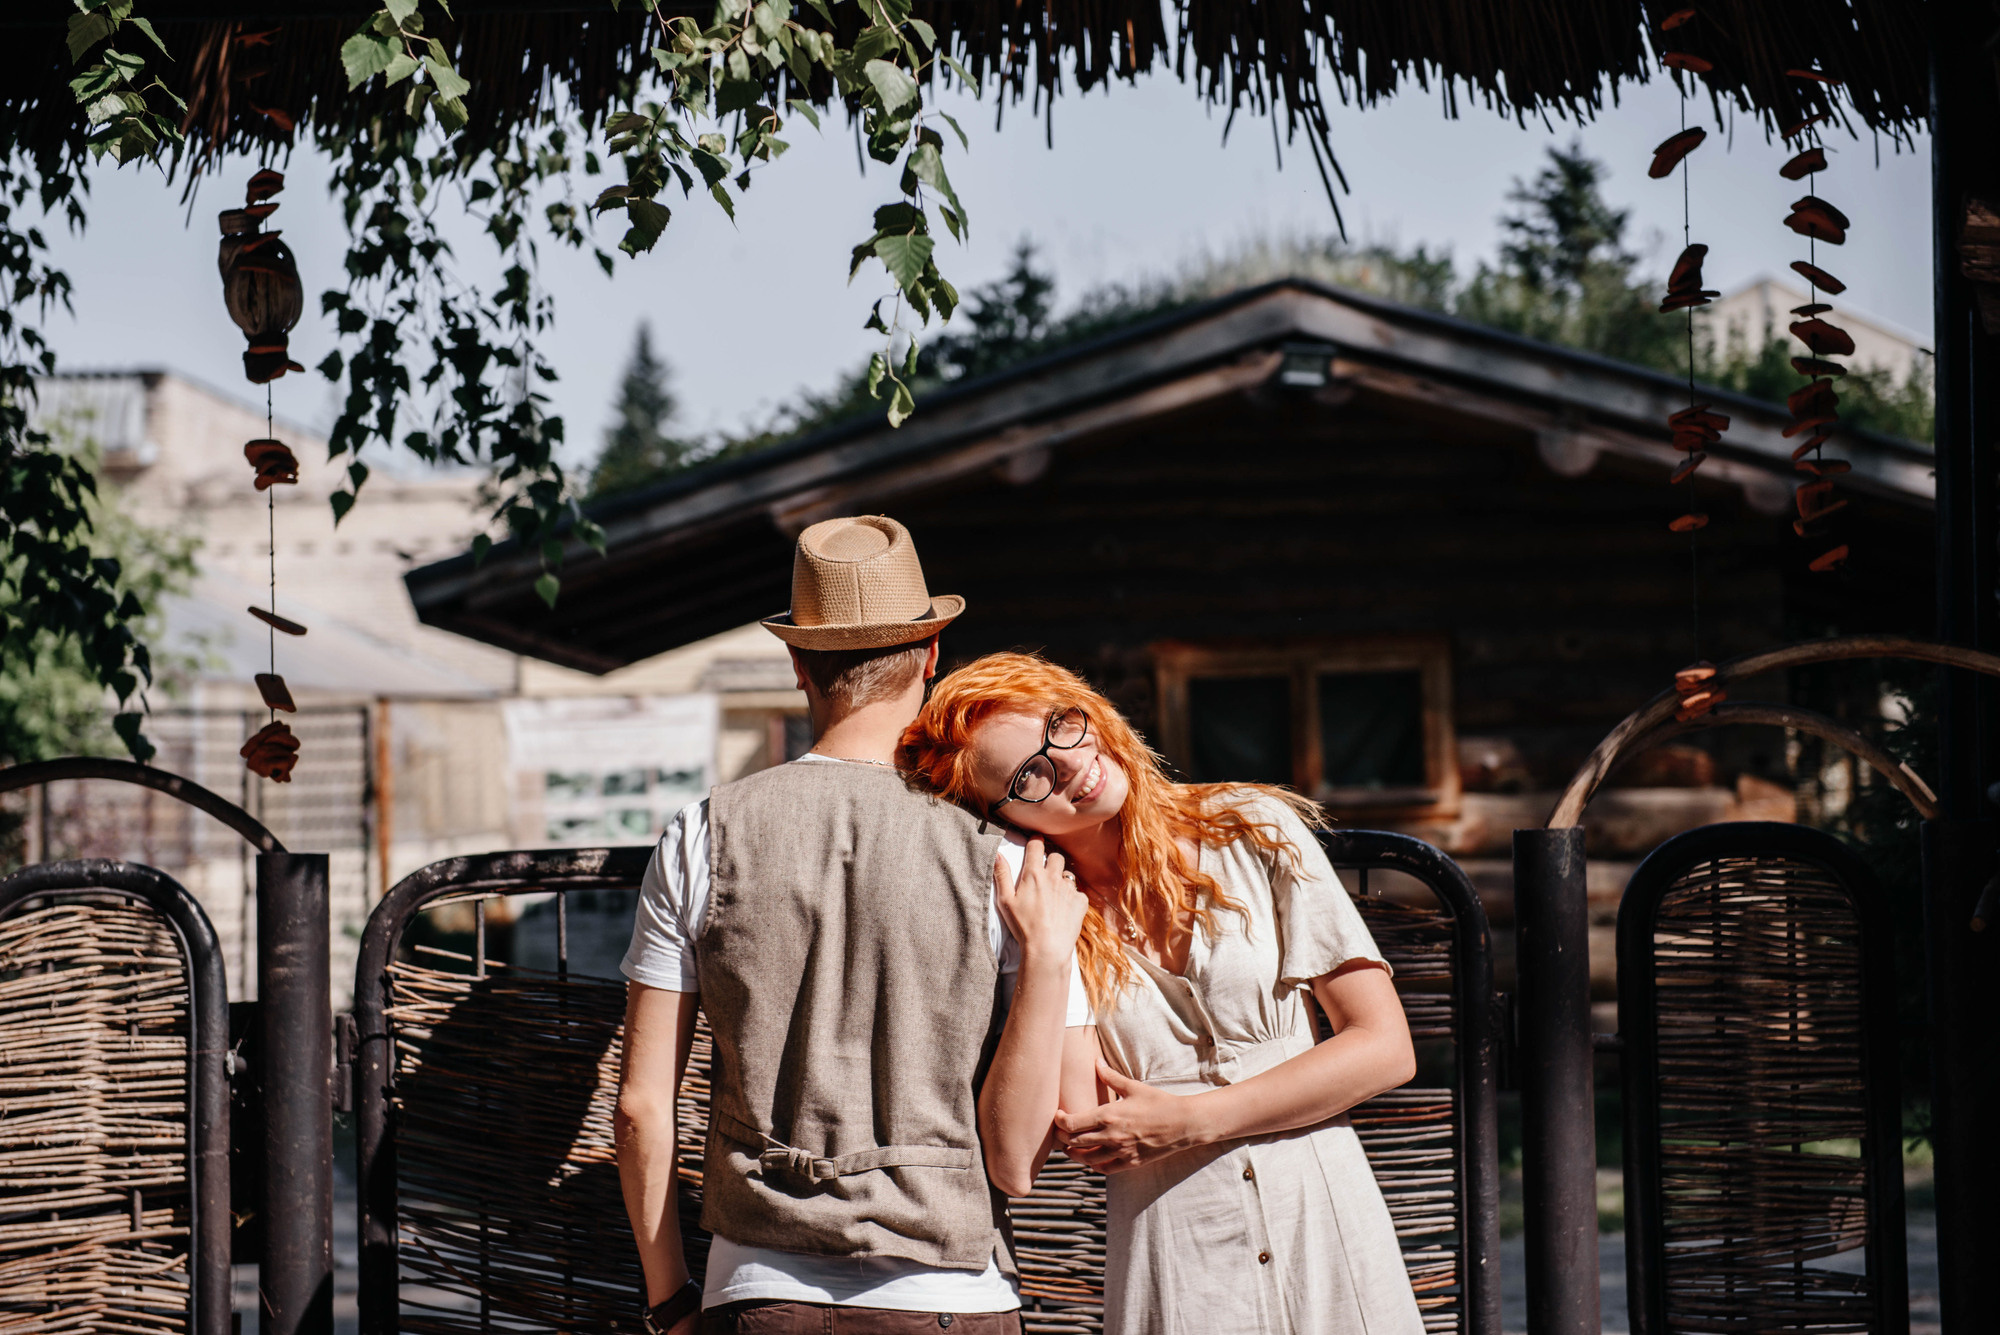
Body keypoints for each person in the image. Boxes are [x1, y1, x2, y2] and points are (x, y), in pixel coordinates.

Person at [615, 516, 1096, 1335]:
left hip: (760, 1292)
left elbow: (640, 1109)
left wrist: (670, 1302)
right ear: (932, 656)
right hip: (955, 1296)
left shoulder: (701, 834)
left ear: (798, 662)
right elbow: (1039, 1131)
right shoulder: (1010, 861)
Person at [898, 652, 1428, 1335]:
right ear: (1000, 817)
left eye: (1062, 725)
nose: (1069, 765)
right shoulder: (1047, 922)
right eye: (1029, 774)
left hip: (1330, 1240)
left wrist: (1192, 1119)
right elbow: (1046, 1146)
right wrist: (1048, 954)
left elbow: (1384, 1048)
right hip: (1182, 1270)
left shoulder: (1253, 827)